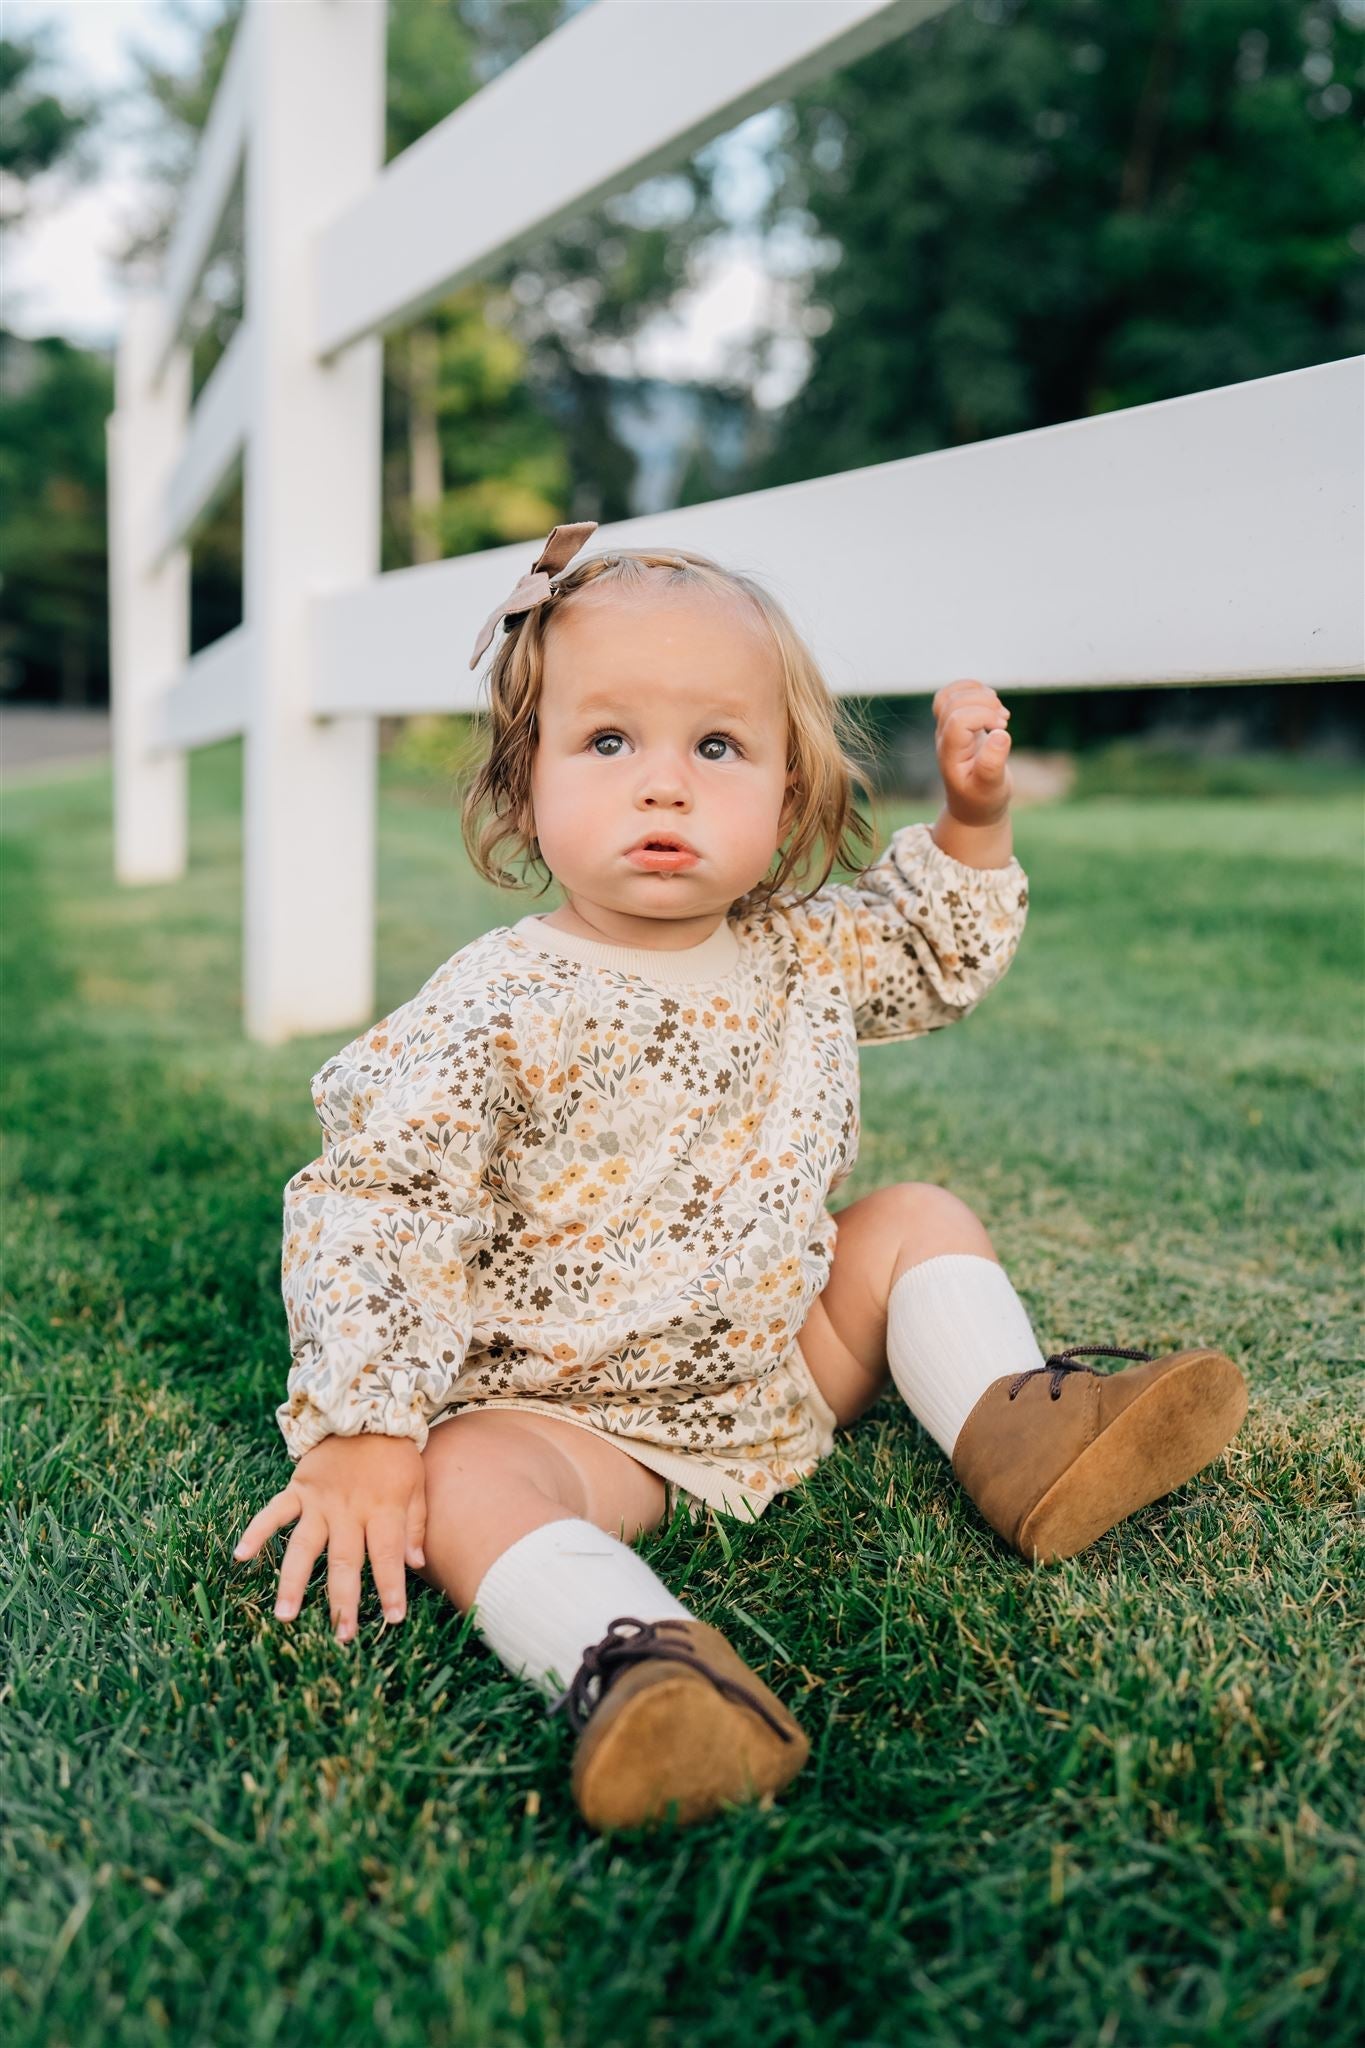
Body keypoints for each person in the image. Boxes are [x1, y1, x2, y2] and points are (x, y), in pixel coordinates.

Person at [231, 523, 1248, 1832]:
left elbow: (926, 949)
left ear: (787, 797)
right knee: (463, 1472)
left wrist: (977, 823)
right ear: (522, 782)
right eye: (607, 743)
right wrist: (367, 1429)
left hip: (778, 1366)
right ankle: (640, 1660)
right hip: (577, 1416)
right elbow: (379, 1202)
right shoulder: (497, 1003)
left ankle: (1019, 1434)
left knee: (912, 1220)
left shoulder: (799, 950)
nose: (663, 787)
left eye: (715, 748)